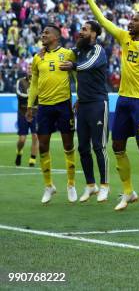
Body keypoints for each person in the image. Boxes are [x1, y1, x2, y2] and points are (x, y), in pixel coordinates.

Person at [83, 0, 139, 212]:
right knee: (117, 146)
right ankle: (128, 192)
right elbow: (104, 21)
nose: (130, 22)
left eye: (135, 20)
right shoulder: (124, 38)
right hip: (124, 100)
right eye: (130, 19)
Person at [26, 25, 77, 204]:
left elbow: (77, 77)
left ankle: (71, 184)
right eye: (42, 33)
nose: (43, 35)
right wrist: (30, 105)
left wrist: (79, 96)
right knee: (43, 146)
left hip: (64, 105)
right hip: (45, 107)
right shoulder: (37, 58)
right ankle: (49, 186)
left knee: (68, 144)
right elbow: (34, 84)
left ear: (56, 37)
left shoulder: (68, 54)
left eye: (46, 33)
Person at [63, 20, 110, 203]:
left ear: (94, 34)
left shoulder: (98, 50)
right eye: (80, 28)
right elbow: (64, 55)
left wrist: (73, 66)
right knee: (83, 147)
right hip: (82, 105)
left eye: (85, 29)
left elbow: (88, 65)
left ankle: (105, 185)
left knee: (99, 146)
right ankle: (91, 185)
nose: (80, 31)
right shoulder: (78, 50)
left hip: (98, 104)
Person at [15, 68, 38, 167]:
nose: (30, 70)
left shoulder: (39, 81)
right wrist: (31, 95)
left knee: (35, 136)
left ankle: (32, 159)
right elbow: (19, 94)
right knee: (22, 139)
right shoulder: (20, 81)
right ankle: (19, 152)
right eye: (28, 68)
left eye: (31, 68)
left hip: (35, 113)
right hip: (23, 112)